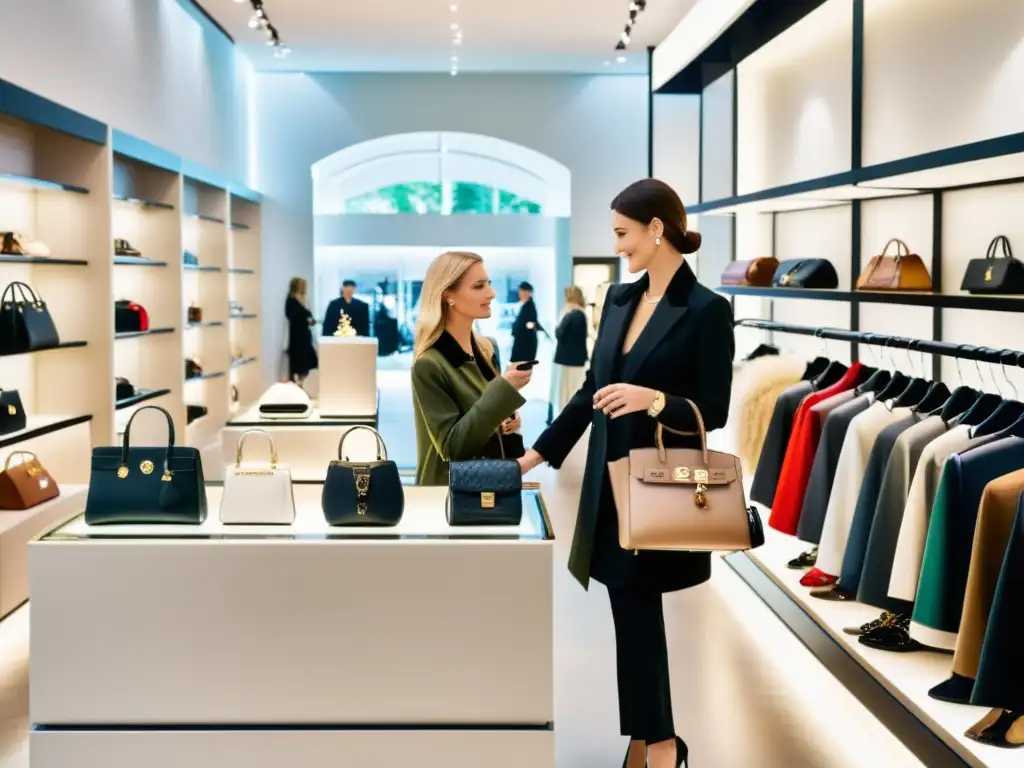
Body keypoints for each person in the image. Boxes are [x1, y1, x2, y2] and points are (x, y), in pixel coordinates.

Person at [518, 178, 735, 768]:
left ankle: (658, 743)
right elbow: (592, 390)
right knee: (628, 609)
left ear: (656, 229)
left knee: (637, 609)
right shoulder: (617, 302)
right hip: (607, 487)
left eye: (622, 234)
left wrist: (653, 399)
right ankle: (649, 741)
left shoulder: (709, 310)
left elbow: (712, 410)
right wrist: (534, 457)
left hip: (660, 483)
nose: (616, 246)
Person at [410, 251, 533, 486]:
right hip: (450, 495)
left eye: (489, 283)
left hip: (493, 485)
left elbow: (486, 419)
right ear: (448, 296)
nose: (492, 293)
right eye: (479, 286)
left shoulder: (487, 348)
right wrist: (503, 391)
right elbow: (452, 447)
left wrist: (510, 424)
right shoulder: (429, 364)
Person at [550, 285, 590, 419]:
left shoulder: (572, 313)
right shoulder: (581, 313)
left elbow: (559, 333)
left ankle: (567, 416)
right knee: (570, 388)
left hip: (569, 358)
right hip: (575, 358)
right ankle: (568, 415)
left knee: (568, 389)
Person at [284, 277, 319, 382]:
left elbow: (309, 314)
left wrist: (311, 320)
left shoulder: (305, 299)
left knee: (311, 359)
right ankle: (297, 380)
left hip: (305, 333)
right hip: (295, 334)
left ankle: (308, 381)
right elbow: (291, 315)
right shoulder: (291, 299)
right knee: (297, 359)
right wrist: (305, 317)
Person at [510, 281, 545, 364]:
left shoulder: (530, 307)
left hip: (525, 345)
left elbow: (530, 324)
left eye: (524, 292)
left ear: (529, 293)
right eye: (520, 292)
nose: (521, 294)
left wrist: (529, 325)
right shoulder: (524, 306)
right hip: (521, 344)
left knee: (521, 370)